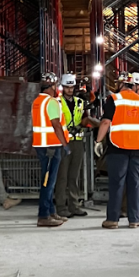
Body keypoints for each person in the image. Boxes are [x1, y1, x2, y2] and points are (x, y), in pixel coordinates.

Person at [95, 73, 139, 230]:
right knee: (134, 184)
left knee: (117, 183)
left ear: (121, 84)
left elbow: (105, 122)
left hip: (118, 147)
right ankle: (134, 220)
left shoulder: (114, 100)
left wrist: (98, 141)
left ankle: (113, 220)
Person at [32, 72, 69, 228]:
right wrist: (65, 144)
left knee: (48, 181)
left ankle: (51, 211)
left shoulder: (37, 101)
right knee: (48, 182)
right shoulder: (51, 102)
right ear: (52, 86)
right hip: (51, 147)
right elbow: (56, 124)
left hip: (42, 146)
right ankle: (43, 216)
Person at [54, 73, 88, 218]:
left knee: (74, 176)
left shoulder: (80, 102)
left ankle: (74, 205)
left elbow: (85, 118)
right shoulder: (57, 102)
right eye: (67, 87)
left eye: (71, 87)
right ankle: (61, 207)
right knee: (62, 176)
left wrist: (84, 124)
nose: (69, 89)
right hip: (63, 142)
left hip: (78, 141)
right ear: (62, 87)